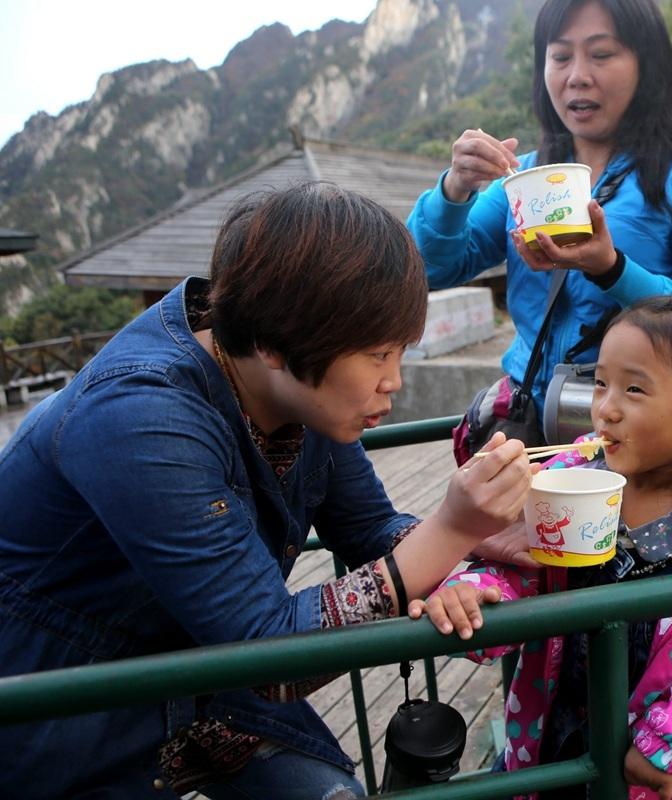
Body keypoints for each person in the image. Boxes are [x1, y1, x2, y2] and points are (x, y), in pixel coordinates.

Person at [0, 183, 534, 799]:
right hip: (63, 709)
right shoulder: (139, 416)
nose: (394, 381)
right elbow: (268, 654)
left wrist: (474, 550)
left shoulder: (301, 393)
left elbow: (368, 530)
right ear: (276, 344)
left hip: (195, 687)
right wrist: (451, 530)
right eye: (378, 354)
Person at [413, 287, 672, 799]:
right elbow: (519, 565)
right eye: (600, 384)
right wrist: (477, 590)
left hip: (654, 772)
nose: (605, 411)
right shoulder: (568, 476)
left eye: (634, 391)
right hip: (545, 757)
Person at [407, 0, 672, 428]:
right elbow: (423, 269)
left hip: (641, 435)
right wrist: (454, 190)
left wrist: (612, 270)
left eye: (601, 54)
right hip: (530, 423)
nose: (577, 76)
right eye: (560, 56)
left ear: (647, 65)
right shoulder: (525, 176)